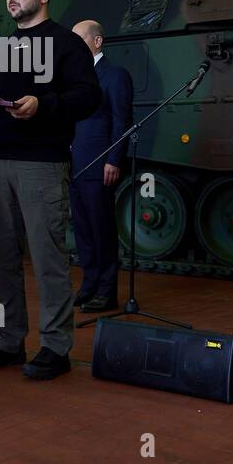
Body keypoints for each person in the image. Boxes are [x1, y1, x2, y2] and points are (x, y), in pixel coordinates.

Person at [0, 0, 100, 381]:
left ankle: (56, 347)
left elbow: (88, 97)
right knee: (0, 259)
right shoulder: (1, 48)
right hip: (0, 164)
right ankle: (7, 340)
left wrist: (45, 105)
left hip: (43, 164)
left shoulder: (67, 45)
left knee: (48, 259)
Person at [69, 20, 134, 312]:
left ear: (97, 42)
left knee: (102, 229)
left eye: (78, 40)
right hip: (75, 166)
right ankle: (89, 285)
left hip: (100, 164)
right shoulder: (73, 79)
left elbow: (122, 121)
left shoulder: (115, 76)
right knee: (83, 229)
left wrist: (113, 159)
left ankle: (107, 292)